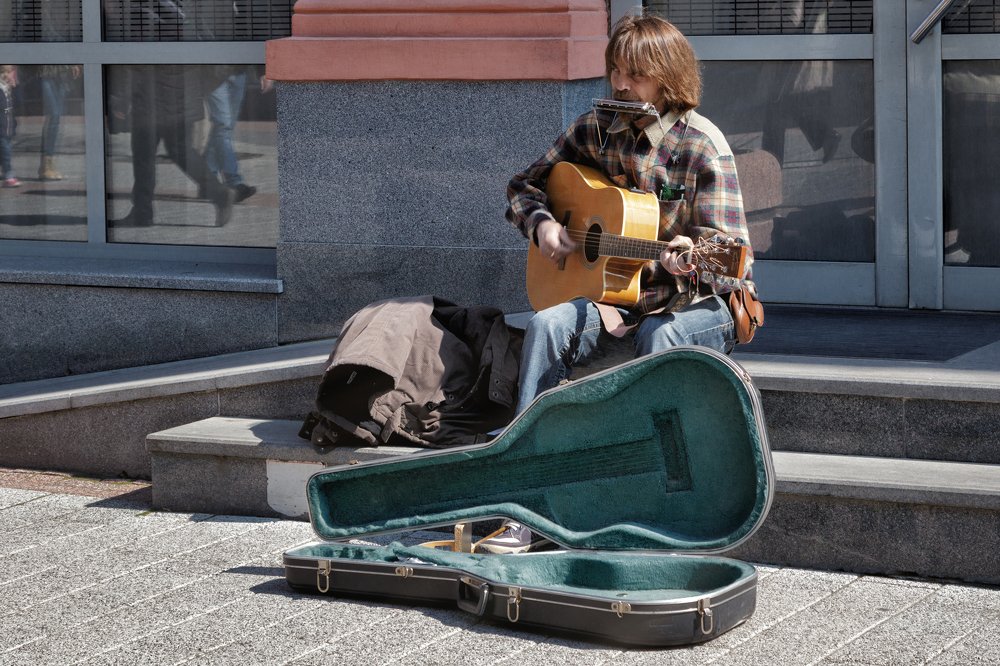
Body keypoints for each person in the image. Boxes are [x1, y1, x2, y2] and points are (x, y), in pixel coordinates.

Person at [479, 13, 754, 555]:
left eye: (637, 75)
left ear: (668, 77)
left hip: (696, 299)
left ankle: (658, 501)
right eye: (615, 72)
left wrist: (688, 261)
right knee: (547, 324)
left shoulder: (702, 145)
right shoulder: (595, 129)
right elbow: (523, 185)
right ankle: (522, 504)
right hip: (617, 298)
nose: (621, 85)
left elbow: (734, 264)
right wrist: (545, 225)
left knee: (660, 341)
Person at [116, 64, 235, 227]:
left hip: (151, 97)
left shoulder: (148, 39)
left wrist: (120, 100)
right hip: (181, 97)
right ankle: (219, 194)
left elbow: (134, 65)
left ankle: (142, 211)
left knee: (144, 154)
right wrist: (199, 90)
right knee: (181, 151)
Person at [38, 65, 81, 181]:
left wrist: (73, 63)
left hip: (62, 74)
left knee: (55, 119)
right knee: (54, 114)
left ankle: (48, 163)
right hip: (45, 72)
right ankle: (46, 164)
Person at [0, 65, 20, 188]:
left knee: (5, 151)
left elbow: (16, 106)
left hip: (7, 128)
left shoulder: (8, 89)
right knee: (6, 152)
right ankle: (9, 176)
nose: (6, 75)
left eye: (9, 72)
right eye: (3, 72)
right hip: (1, 128)